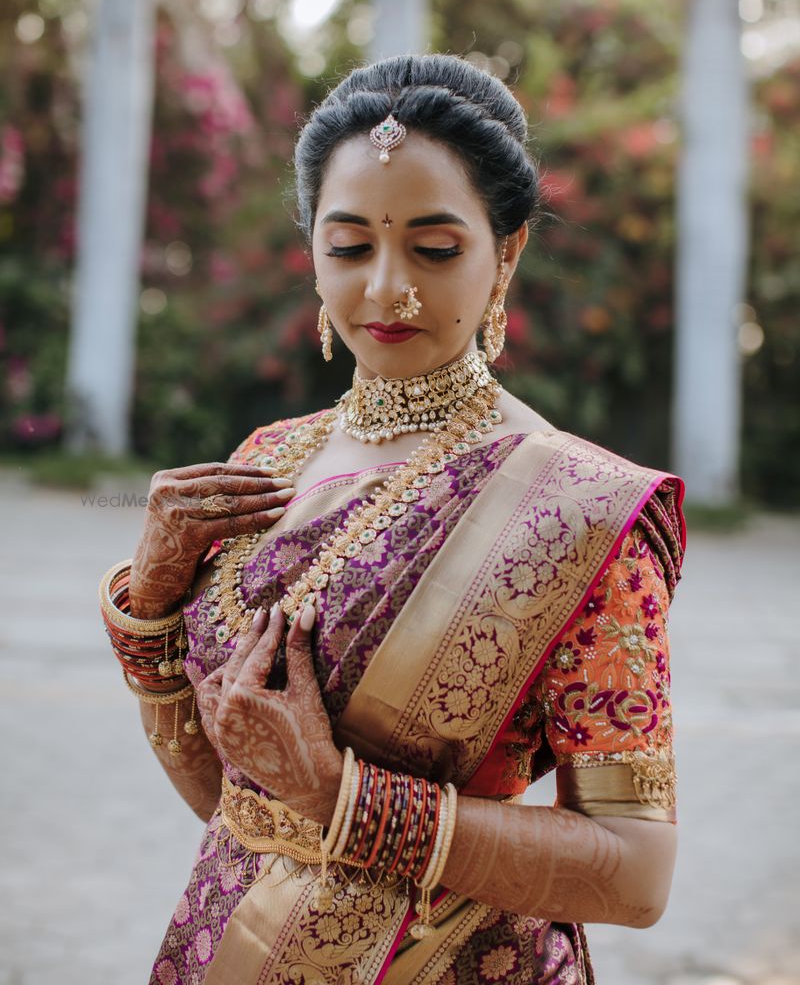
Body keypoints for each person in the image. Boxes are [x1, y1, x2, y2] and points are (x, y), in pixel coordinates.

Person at [99, 53, 686, 985]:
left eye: (436, 247)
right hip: (229, 941)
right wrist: (149, 606)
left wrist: (342, 796)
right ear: (312, 254)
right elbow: (233, 802)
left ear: (509, 252)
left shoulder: (579, 511)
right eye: (348, 247)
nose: (385, 290)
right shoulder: (266, 462)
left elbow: (637, 877)